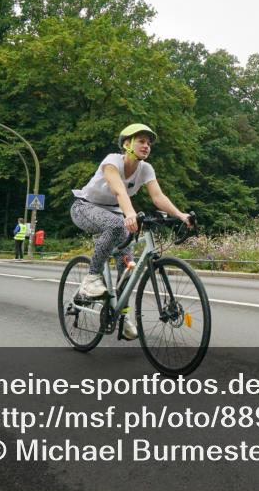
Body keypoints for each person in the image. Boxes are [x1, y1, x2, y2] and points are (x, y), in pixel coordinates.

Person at [70, 124, 192, 339]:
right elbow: (119, 191)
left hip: (115, 211)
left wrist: (181, 215)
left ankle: (122, 315)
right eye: (141, 141)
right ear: (127, 144)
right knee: (117, 225)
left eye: (149, 143)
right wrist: (129, 214)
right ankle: (91, 277)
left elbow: (158, 197)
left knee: (127, 264)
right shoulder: (111, 161)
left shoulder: (146, 168)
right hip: (85, 207)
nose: (146, 146)